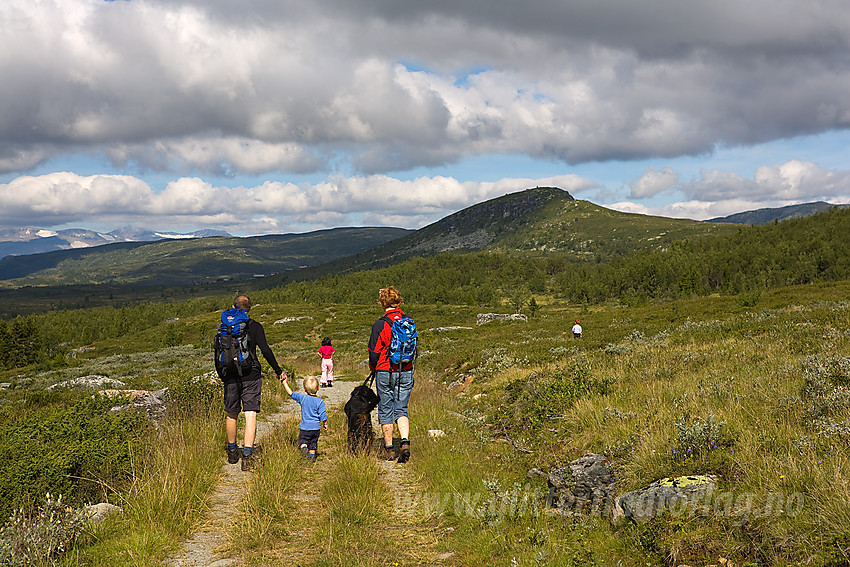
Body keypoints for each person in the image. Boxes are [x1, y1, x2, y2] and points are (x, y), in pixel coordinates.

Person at [216, 294, 283, 472]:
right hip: (251, 374)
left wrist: (221, 374)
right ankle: (247, 456)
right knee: (250, 413)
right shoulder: (254, 326)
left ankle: (232, 453)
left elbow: (217, 352)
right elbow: (266, 351)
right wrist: (278, 370)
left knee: (231, 413)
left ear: (232, 306)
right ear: (249, 309)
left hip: (230, 374)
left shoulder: (225, 327)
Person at [368, 286, 414, 463]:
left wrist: (374, 368)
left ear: (382, 303)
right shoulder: (408, 321)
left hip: (385, 371)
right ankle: (404, 442)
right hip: (406, 370)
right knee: (402, 408)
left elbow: (373, 353)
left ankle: (389, 449)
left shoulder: (380, 324)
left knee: (386, 409)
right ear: (398, 301)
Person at [281, 374, 328, 461]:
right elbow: (323, 414)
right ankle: (312, 456)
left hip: (305, 427)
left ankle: (303, 448)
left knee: (303, 440)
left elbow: (290, 393)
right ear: (318, 388)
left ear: (304, 389)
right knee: (313, 442)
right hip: (316, 427)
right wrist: (325, 423)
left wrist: (284, 383)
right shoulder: (320, 401)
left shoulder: (302, 398)